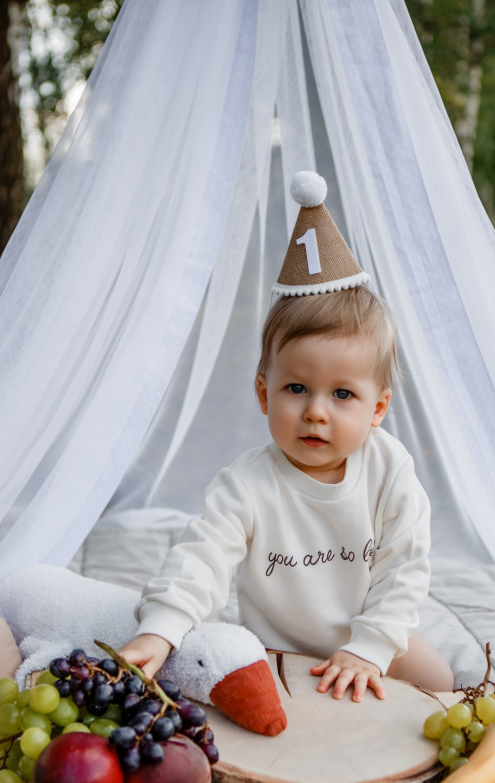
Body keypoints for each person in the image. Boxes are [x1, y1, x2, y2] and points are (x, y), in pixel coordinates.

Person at [119, 173, 453, 701]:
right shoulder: (248, 485)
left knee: (442, 682)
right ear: (263, 393)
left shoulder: (390, 469)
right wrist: (162, 624)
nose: (316, 413)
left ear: (378, 408)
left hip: (367, 631)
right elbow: (201, 555)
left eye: (343, 395)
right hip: (274, 647)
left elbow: (404, 567)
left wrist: (371, 646)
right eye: (297, 388)